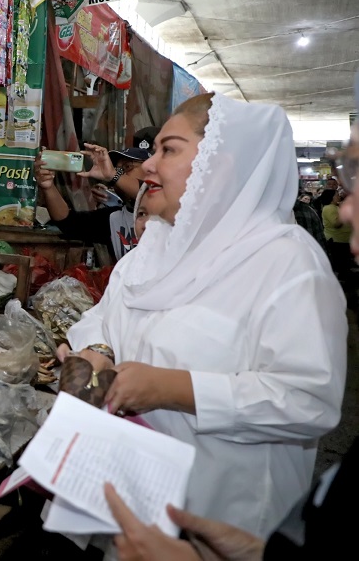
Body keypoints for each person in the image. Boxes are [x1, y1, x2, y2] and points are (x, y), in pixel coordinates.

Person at [58, 92, 347, 543]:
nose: (148, 166)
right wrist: (97, 351)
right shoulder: (155, 248)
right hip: (132, 505)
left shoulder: (286, 263)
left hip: (220, 526)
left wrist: (171, 388)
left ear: (222, 164)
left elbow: (308, 399)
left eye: (168, 150)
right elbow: (106, 316)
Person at [36, 128, 157, 262]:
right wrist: (48, 187)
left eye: (127, 168)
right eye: (117, 169)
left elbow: (148, 192)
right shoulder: (114, 218)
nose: (119, 174)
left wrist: (113, 175)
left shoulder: (170, 211)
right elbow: (67, 222)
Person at [322, 188, 353, 276]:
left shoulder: (335, 206)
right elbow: (336, 223)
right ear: (331, 197)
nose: (338, 196)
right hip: (337, 240)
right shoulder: (329, 208)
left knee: (345, 263)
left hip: (343, 239)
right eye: (336, 195)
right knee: (342, 264)